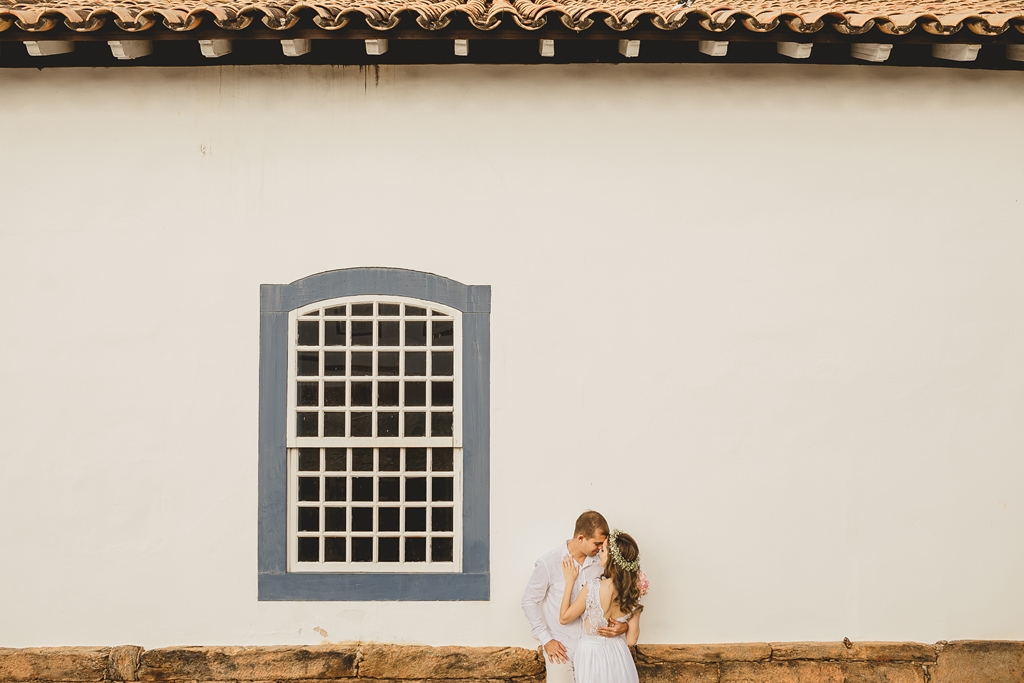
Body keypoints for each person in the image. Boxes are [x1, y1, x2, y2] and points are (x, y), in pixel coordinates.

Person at [522, 511, 628, 683]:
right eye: (597, 543)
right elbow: (528, 601)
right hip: (563, 651)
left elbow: (621, 594)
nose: (601, 548)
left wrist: (624, 626)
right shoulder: (548, 563)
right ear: (580, 538)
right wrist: (546, 640)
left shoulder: (603, 563)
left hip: (595, 653)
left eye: (603, 545)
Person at [558, 529, 645, 683]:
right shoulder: (633, 592)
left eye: (603, 549)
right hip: (618, 654)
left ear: (612, 558)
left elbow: (564, 618)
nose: (599, 552)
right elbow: (631, 640)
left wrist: (569, 581)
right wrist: (624, 626)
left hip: (591, 656)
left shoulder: (592, 587)